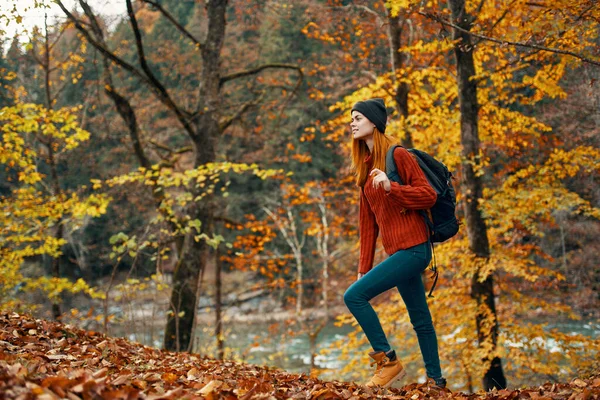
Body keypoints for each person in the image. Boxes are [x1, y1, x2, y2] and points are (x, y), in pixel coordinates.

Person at [343, 98, 447, 389]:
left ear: (374, 122)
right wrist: (364, 268)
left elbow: (428, 195)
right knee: (420, 318)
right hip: (398, 252)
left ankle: (387, 361)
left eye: (358, 118)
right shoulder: (364, 169)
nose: (352, 122)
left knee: (353, 297)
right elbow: (368, 226)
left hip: (415, 249)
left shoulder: (397, 155)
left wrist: (392, 187)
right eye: (351, 118)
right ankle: (437, 382)